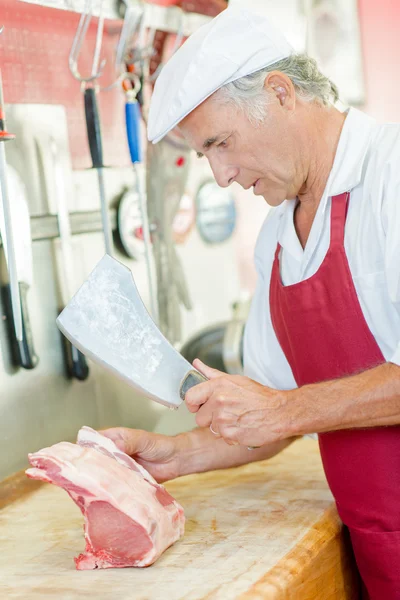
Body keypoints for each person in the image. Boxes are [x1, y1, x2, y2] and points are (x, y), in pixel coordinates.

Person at [103, 7, 400, 598]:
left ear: (280, 92)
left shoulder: (391, 175)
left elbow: (285, 409)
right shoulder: (276, 238)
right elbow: (272, 404)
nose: (220, 175)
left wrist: (285, 410)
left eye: (220, 143)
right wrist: (175, 454)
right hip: (381, 544)